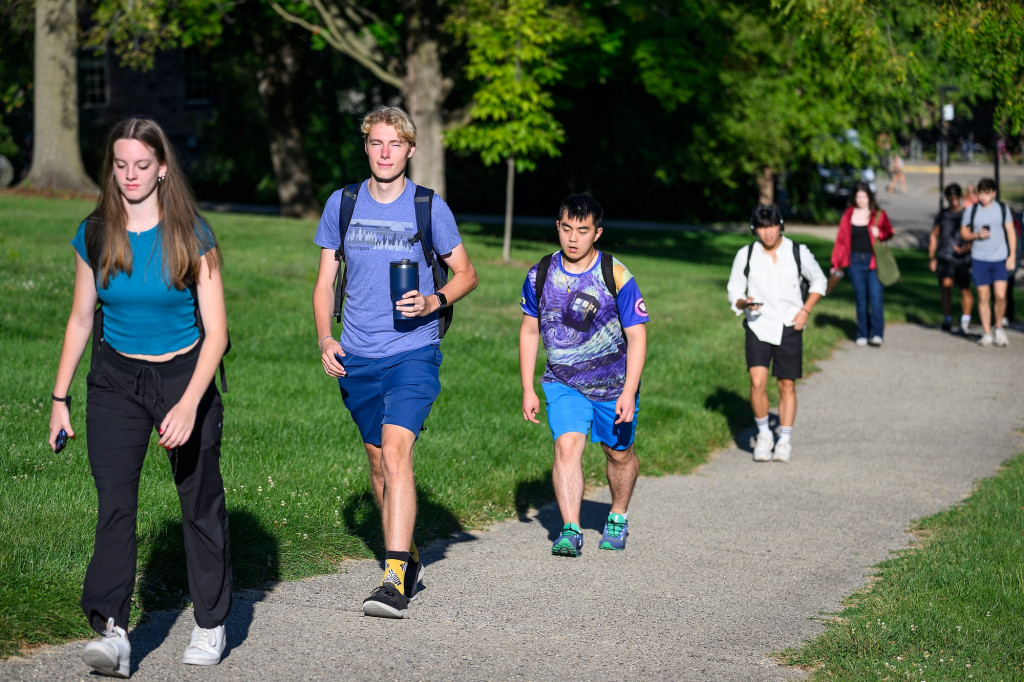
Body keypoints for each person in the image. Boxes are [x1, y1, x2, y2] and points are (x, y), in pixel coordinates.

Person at [48, 117, 232, 678]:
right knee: (115, 505)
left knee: (198, 502)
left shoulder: (192, 234)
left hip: (185, 376)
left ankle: (210, 621)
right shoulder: (96, 233)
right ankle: (114, 630)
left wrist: (187, 404)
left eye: (142, 165)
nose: (131, 175)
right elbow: (82, 320)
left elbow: (217, 333)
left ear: (162, 169)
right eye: (121, 165)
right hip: (115, 381)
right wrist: (59, 398)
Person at [312, 106, 478, 618]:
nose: (386, 153)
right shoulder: (342, 204)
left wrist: (435, 302)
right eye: (377, 143)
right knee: (379, 465)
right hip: (357, 355)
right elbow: (323, 284)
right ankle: (409, 554)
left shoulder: (429, 208)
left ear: (410, 150)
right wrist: (325, 339)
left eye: (396, 144)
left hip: (413, 351)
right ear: (367, 147)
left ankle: (393, 577)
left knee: (397, 450)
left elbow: (467, 274)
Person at [519, 194, 648, 556]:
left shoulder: (617, 274)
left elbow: (637, 335)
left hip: (613, 386)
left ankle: (618, 515)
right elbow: (529, 331)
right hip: (562, 382)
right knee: (566, 446)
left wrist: (629, 390)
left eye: (583, 230)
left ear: (597, 233)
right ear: (557, 227)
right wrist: (527, 387)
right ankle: (571, 528)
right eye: (567, 229)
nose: (573, 238)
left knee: (618, 454)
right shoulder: (540, 273)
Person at [727, 204, 827, 463]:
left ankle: (784, 439)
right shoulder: (746, 254)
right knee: (757, 382)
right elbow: (734, 291)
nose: (768, 232)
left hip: (789, 324)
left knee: (786, 384)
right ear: (755, 229)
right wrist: (743, 303)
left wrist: (805, 310)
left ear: (780, 225)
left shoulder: (797, 251)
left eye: (771, 226)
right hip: (758, 325)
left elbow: (819, 280)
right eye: (762, 227)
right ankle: (763, 434)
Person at [830, 181, 895, 347]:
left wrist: (879, 233)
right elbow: (841, 241)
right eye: (858, 196)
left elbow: (889, 232)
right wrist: (836, 263)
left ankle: (877, 333)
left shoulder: (878, 214)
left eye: (864, 196)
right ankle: (862, 333)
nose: (861, 200)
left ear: (869, 197)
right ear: (854, 198)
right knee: (860, 300)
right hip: (854, 262)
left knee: (875, 299)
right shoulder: (848, 216)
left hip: (874, 262)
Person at [960, 178, 1017, 347]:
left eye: (986, 193)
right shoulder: (972, 211)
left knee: (1000, 296)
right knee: (983, 297)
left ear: (994, 193)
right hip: (979, 259)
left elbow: (1011, 232)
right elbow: (963, 233)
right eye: (981, 193)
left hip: (999, 258)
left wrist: (1012, 255)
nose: (983, 197)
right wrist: (976, 235)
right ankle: (986, 333)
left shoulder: (1002, 209)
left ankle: (998, 326)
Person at [928, 183, 974, 334]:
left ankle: (965, 320)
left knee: (964, 290)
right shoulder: (943, 215)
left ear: (960, 197)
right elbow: (934, 235)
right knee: (946, 287)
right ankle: (947, 318)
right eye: (951, 198)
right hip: (945, 256)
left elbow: (975, 236)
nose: (954, 201)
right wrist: (931, 257)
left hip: (964, 258)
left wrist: (967, 248)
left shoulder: (968, 214)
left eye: (956, 198)